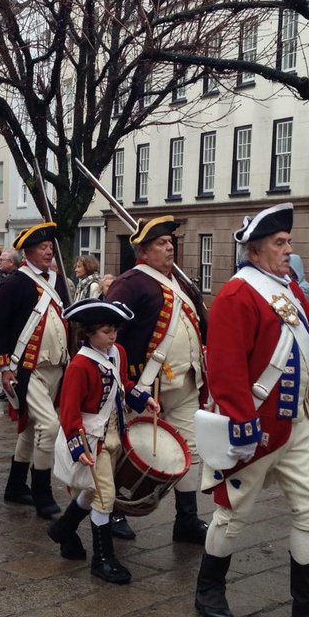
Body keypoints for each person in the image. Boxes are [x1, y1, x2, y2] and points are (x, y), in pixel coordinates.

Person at [194, 203, 309, 617]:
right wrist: (240, 422)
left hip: (297, 423)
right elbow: (226, 367)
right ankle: (209, 590)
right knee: (232, 514)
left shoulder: (288, 291)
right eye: (279, 243)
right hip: (259, 426)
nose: (289, 249)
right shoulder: (238, 294)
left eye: (288, 241)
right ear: (255, 249)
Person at [107, 216, 209, 545]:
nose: (169, 248)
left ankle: (187, 520)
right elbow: (109, 336)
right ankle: (114, 510)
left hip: (186, 383)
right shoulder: (130, 284)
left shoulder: (180, 285)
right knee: (126, 449)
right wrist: (124, 383)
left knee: (190, 450)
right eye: (161, 243)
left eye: (170, 242)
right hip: (144, 385)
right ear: (143, 251)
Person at [47, 299, 157, 583]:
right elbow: (69, 412)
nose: (113, 336)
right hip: (91, 439)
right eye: (106, 331)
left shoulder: (118, 353)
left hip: (114, 434)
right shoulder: (80, 365)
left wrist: (143, 399)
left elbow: (123, 385)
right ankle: (102, 558)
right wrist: (78, 448)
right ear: (89, 333)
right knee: (105, 496)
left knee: (91, 491)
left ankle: (63, 530)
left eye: (115, 330)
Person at [0, 222, 71, 518]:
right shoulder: (15, 283)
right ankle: (42, 492)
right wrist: (3, 368)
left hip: (56, 366)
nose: (49, 252)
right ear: (29, 252)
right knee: (48, 426)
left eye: (50, 247)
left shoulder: (57, 281)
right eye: (42, 248)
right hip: (27, 368)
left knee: (31, 427)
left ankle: (14, 486)